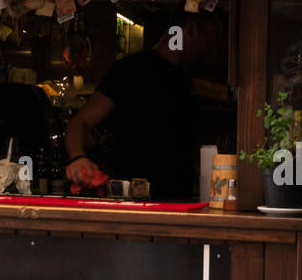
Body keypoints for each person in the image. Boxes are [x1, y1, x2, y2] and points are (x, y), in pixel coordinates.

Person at [64, 10, 220, 201]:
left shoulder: (184, 80)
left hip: (178, 201)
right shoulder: (132, 70)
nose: (213, 48)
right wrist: (78, 158)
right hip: (132, 203)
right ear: (191, 30)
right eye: (211, 38)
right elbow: (79, 122)